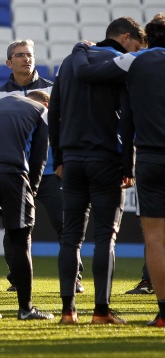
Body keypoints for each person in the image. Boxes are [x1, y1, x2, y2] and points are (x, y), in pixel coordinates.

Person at [67, 13, 165, 327]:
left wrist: (81, 48)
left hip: (149, 159)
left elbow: (86, 74)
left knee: (155, 240)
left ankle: (163, 315)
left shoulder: (135, 61)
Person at [0, 39, 83, 294]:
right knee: (12, 229)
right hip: (13, 172)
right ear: (9, 62)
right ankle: (17, 278)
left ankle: (75, 277)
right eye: (20, 55)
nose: (26, 59)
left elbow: (72, 123)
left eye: (29, 55)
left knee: (66, 224)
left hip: (50, 171)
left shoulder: (55, 91)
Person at [48, 17, 143, 325]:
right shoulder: (121, 64)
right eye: (136, 47)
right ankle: (101, 311)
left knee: (70, 238)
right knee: (105, 237)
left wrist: (59, 158)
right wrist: (128, 165)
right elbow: (127, 119)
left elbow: (55, 114)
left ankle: (67, 312)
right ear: (126, 38)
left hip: (72, 161)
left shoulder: (69, 62)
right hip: (107, 161)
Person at [0, 91, 53, 321]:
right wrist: (32, 190)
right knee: (21, 242)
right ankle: (25, 309)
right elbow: (39, 156)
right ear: (46, 103)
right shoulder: (42, 111)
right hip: (12, 175)